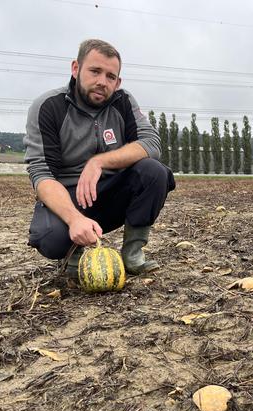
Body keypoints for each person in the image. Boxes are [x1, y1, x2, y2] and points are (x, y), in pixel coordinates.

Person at [24, 38, 175, 277]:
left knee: (153, 171)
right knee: (49, 238)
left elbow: (151, 143)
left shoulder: (123, 101)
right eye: (95, 71)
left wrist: (99, 161)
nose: (102, 82)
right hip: (69, 197)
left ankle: (133, 253)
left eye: (110, 76)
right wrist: (74, 219)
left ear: (118, 82)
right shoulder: (48, 106)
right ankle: (74, 256)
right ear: (76, 68)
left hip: (111, 193)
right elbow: (42, 174)